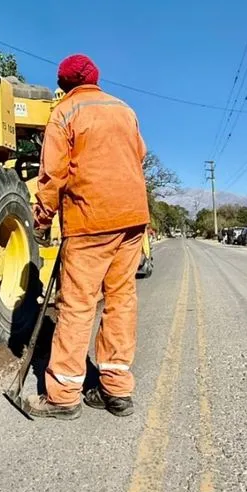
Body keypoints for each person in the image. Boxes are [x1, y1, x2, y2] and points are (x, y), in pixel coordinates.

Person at [26, 54, 149, 420]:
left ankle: (63, 395)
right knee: (121, 300)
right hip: (132, 219)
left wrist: (42, 219)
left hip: (90, 219)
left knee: (78, 304)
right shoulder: (125, 110)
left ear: (63, 85)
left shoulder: (64, 112)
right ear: (96, 79)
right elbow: (137, 157)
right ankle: (116, 391)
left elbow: (52, 173)